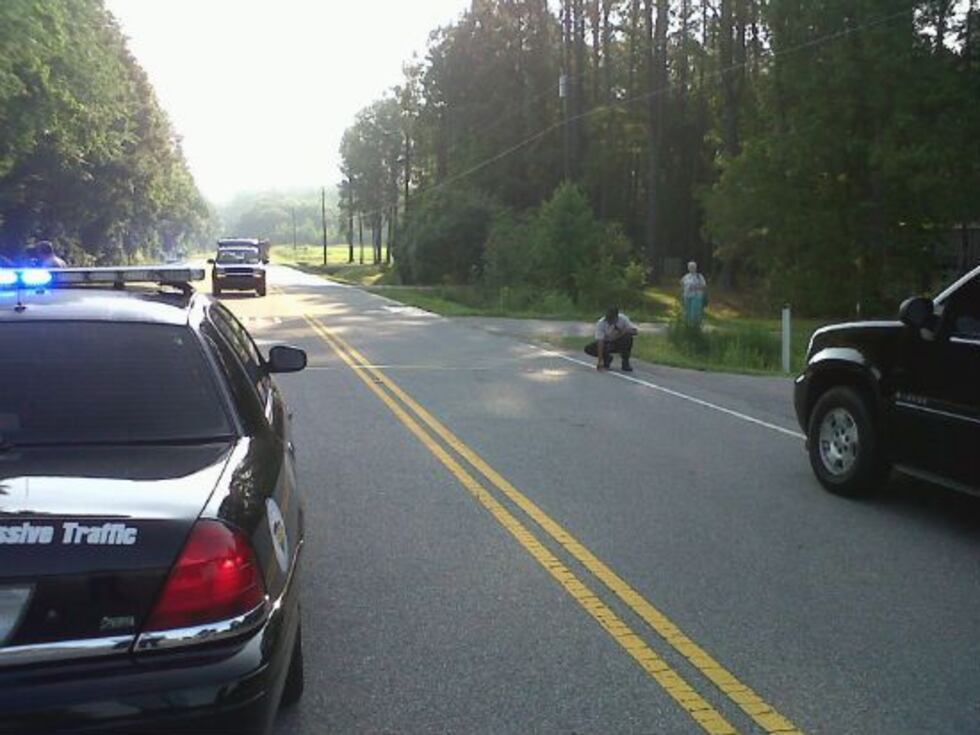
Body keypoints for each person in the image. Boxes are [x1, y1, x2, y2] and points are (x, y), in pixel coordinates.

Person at [585, 306, 638, 372]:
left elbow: (635, 332)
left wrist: (623, 331)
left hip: (619, 343)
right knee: (589, 348)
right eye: (608, 319)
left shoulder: (623, 319)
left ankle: (625, 362)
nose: (609, 321)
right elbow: (600, 342)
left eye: (611, 319)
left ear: (616, 317)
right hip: (607, 343)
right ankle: (607, 358)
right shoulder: (601, 323)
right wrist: (600, 360)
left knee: (628, 338)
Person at [680, 260, 707, 326]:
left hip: (696, 296)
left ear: (695, 268)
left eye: (693, 267)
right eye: (690, 267)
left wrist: (695, 287)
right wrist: (683, 291)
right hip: (687, 296)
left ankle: (695, 327)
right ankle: (687, 326)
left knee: (694, 312)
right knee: (687, 312)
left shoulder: (699, 276)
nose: (691, 268)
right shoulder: (686, 276)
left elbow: (704, 286)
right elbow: (681, 283)